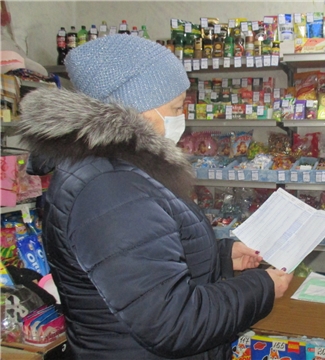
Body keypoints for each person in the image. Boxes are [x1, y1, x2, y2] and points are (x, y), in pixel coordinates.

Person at [18, 34, 292, 359]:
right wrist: (261, 288)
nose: (182, 119)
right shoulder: (108, 186)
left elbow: (139, 270)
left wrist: (219, 258)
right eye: (175, 107)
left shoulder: (117, 170)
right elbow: (171, 323)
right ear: (136, 107)